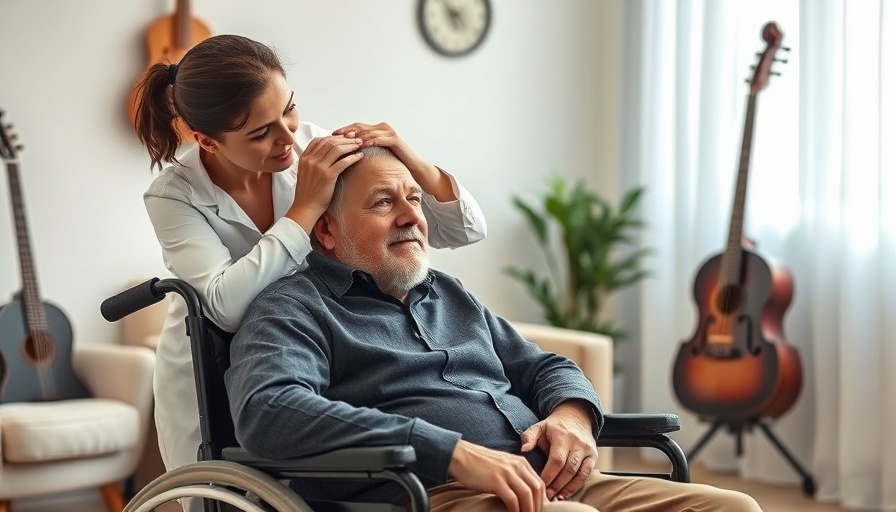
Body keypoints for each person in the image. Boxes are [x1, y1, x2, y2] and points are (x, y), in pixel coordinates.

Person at [224, 146, 763, 512]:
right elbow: (268, 410)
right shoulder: (293, 306)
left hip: (553, 483)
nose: (412, 216)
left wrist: (572, 418)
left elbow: (543, 366)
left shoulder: (448, 293)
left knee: (735, 507)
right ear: (327, 232)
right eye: (384, 203)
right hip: (431, 492)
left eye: (414, 199)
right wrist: (451, 452)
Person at [132, 34, 488, 510]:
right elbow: (222, 305)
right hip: (211, 361)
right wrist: (305, 208)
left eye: (290, 110)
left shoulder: (313, 146)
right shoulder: (173, 195)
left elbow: (463, 230)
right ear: (206, 141)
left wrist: (406, 152)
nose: (287, 137)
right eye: (260, 133)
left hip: (308, 343)